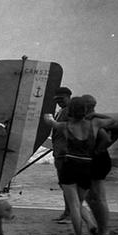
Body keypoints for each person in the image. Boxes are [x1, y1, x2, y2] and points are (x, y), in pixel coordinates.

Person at [42, 98, 114, 235]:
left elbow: (51, 123)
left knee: (74, 205)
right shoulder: (95, 124)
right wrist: (95, 115)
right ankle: (92, 227)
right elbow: (112, 120)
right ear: (85, 111)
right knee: (79, 202)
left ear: (71, 112)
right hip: (86, 166)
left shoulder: (66, 126)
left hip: (70, 165)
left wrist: (47, 116)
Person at [82, 94, 118, 235]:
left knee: (97, 197)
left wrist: (97, 150)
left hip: (97, 161)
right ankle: (101, 229)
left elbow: (107, 136)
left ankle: (104, 231)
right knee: (92, 197)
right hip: (96, 160)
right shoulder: (92, 120)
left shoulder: (93, 120)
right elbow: (108, 138)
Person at [50, 87, 72, 223]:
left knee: (68, 184)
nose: (59, 102)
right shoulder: (61, 111)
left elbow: (70, 129)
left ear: (69, 97)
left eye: (61, 99)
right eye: (57, 100)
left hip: (66, 153)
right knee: (64, 184)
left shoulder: (70, 111)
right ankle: (67, 211)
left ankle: (70, 213)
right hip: (59, 152)